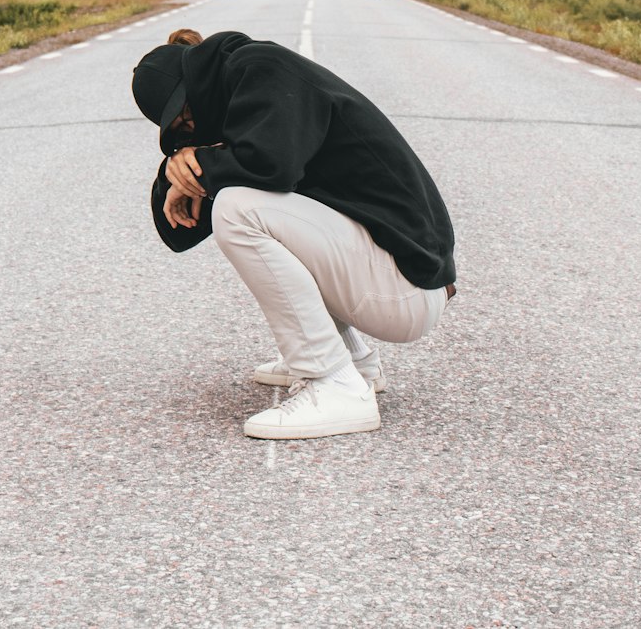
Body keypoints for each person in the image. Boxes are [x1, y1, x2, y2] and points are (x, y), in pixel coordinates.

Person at [131, 27, 457, 440]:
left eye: (186, 113)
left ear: (195, 80)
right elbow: (179, 234)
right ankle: (353, 361)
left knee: (237, 210)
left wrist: (203, 165)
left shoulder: (264, 71)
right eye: (179, 130)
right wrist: (176, 167)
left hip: (407, 286)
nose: (192, 128)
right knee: (242, 204)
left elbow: (271, 167)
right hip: (397, 279)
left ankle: (334, 383)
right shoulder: (230, 101)